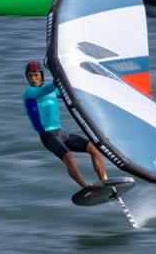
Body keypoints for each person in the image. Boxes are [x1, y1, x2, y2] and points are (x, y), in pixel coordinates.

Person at [22, 60, 107, 188]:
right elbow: (42, 91)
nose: (33, 78)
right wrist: (57, 81)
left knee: (94, 148)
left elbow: (70, 95)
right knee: (68, 156)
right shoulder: (29, 93)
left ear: (41, 75)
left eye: (36, 74)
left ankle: (105, 181)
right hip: (48, 136)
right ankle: (85, 187)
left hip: (61, 133)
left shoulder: (53, 91)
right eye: (30, 76)